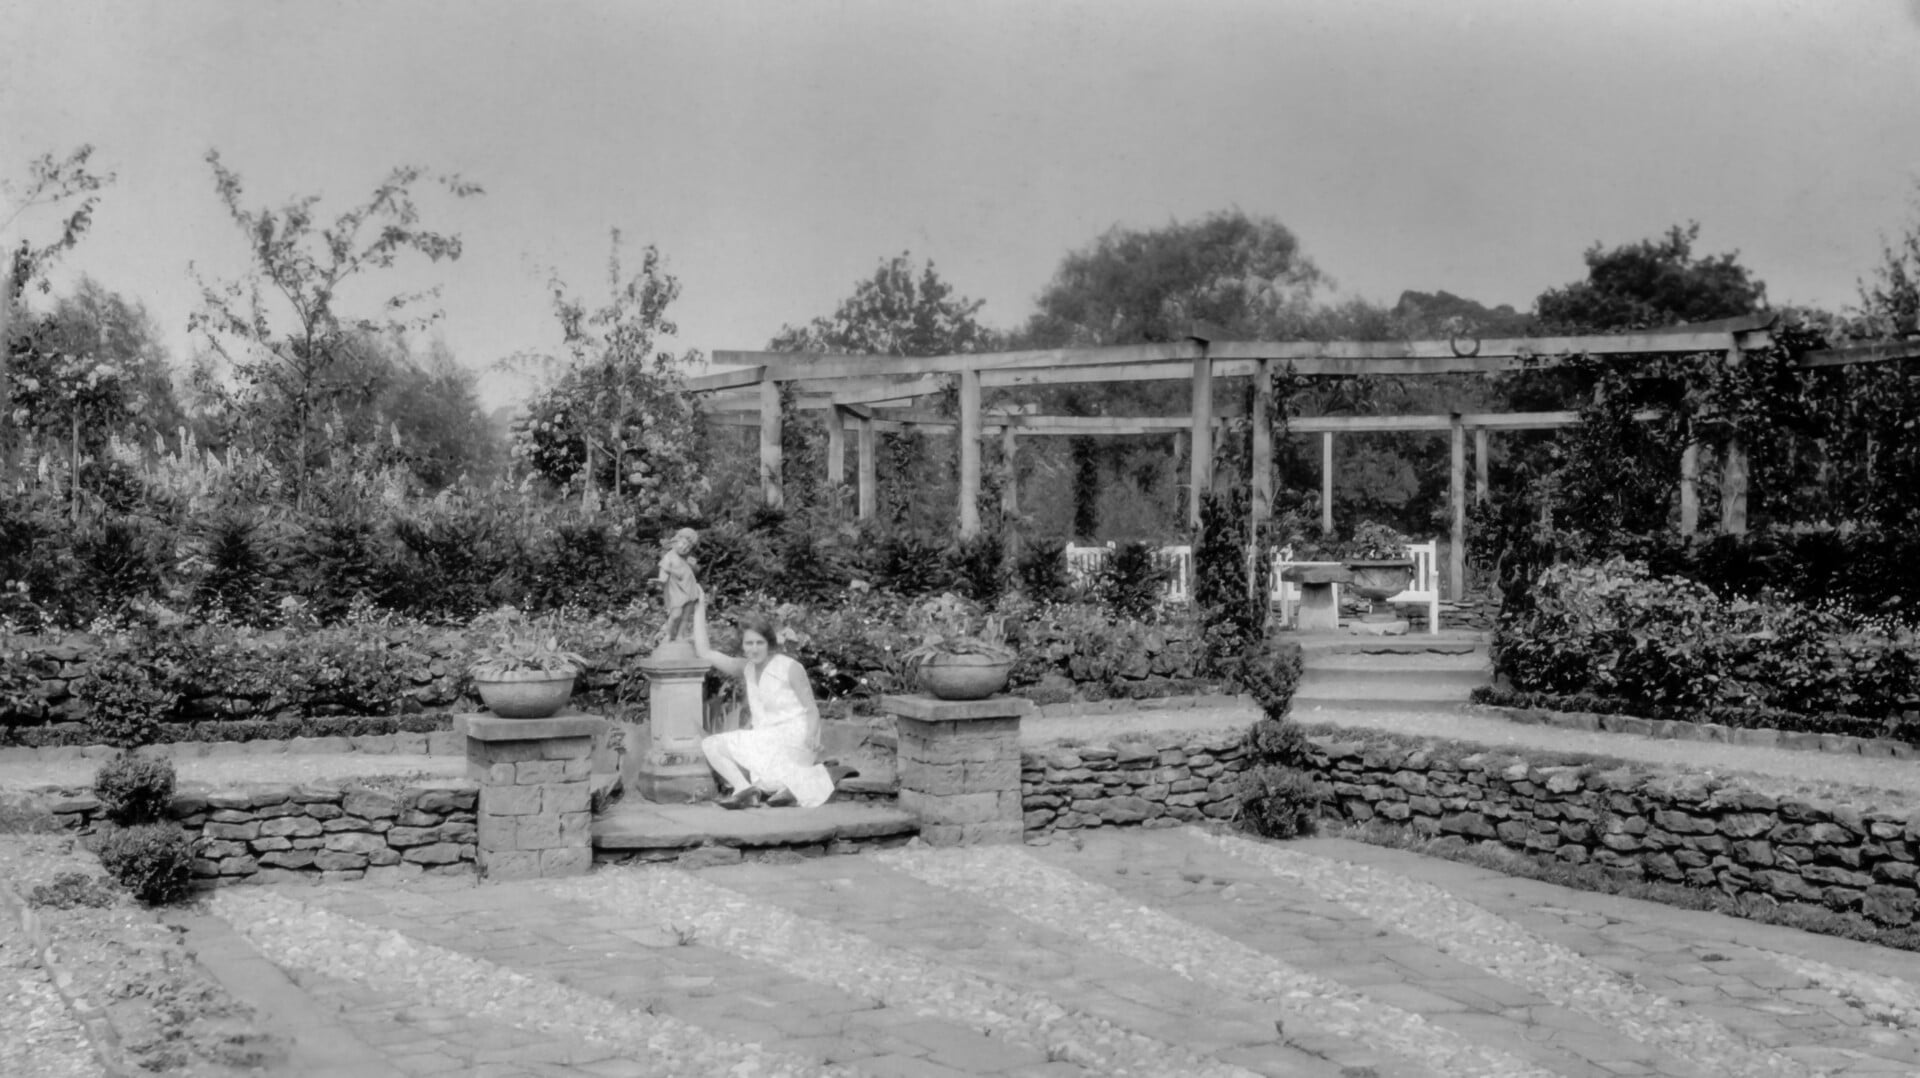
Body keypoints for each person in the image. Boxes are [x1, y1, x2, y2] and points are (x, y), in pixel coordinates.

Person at [690, 598, 836, 809]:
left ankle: (811, 776)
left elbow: (811, 710)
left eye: (760, 643)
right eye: (749, 643)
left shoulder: (790, 667)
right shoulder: (746, 668)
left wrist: (812, 737)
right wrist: (699, 606)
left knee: (773, 782)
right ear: (742, 646)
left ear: (769, 644)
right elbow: (705, 652)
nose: (755, 649)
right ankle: (744, 789)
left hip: (795, 738)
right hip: (766, 739)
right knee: (711, 744)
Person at [655, 528, 703, 648]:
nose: (684, 548)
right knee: (676, 614)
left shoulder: (687, 559)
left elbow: (695, 571)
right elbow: (664, 571)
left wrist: (694, 566)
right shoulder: (669, 556)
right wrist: (661, 581)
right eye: (683, 544)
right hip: (676, 590)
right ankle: (668, 635)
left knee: (686, 616)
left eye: (688, 547)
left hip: (690, 589)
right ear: (676, 540)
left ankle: (680, 636)